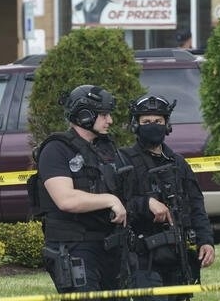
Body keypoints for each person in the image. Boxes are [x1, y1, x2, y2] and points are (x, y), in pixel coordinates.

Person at [32, 85, 129, 294]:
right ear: (85, 115)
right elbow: (65, 200)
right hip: (74, 246)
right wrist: (110, 200)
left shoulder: (105, 148)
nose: (110, 120)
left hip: (108, 245)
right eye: (103, 114)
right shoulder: (55, 149)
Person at [121, 95, 215, 300]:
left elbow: (196, 206)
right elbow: (115, 203)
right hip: (143, 258)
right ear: (135, 125)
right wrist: (146, 204)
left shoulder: (178, 163)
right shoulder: (124, 161)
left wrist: (206, 241)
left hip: (178, 255)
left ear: (167, 125)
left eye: (158, 121)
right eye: (146, 122)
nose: (152, 126)